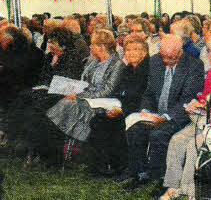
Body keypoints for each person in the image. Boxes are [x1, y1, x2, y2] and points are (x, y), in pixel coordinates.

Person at [159, 32, 211, 200]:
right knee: (176, 140)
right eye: (210, 50)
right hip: (203, 120)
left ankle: (190, 191)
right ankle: (173, 186)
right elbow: (204, 96)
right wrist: (195, 104)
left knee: (193, 147)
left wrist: (206, 105)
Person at [122, 34, 204, 192]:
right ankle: (139, 174)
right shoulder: (154, 62)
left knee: (159, 134)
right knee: (135, 129)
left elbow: (187, 100)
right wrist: (145, 111)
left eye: (171, 58)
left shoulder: (194, 66)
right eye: (164, 57)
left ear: (180, 53)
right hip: (156, 113)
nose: (166, 61)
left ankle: (160, 178)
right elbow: (149, 92)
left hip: (179, 115)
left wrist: (165, 117)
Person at [6, 27, 87, 166]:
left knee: (35, 109)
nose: (50, 45)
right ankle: (13, 135)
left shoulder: (72, 57)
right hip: (48, 90)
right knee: (23, 97)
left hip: (62, 93)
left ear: (63, 44)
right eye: (50, 42)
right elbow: (44, 76)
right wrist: (42, 86)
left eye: (53, 43)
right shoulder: (50, 56)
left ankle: (32, 148)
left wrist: (48, 83)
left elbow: (67, 80)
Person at [46, 29, 125, 143]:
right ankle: (54, 141)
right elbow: (84, 81)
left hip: (99, 101)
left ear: (102, 46)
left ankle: (57, 142)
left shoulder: (117, 64)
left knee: (66, 104)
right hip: (86, 96)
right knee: (59, 100)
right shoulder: (94, 61)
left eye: (93, 44)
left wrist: (79, 96)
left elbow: (107, 91)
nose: (90, 47)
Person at [87, 34, 149, 177]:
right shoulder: (128, 69)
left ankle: (120, 166)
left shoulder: (147, 70)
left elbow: (142, 97)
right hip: (122, 106)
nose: (131, 53)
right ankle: (105, 165)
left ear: (144, 52)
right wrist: (112, 104)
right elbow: (119, 91)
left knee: (110, 123)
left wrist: (121, 110)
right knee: (98, 120)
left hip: (137, 110)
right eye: (127, 50)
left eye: (135, 49)